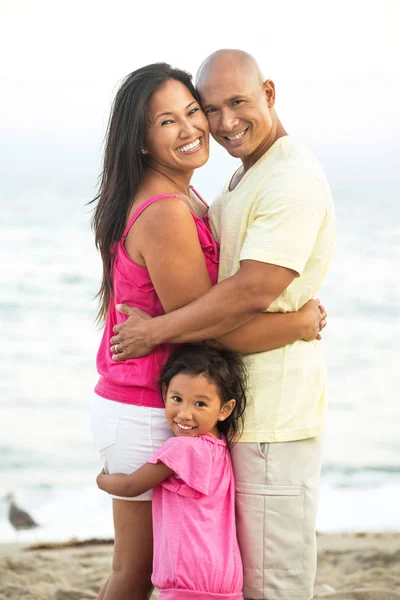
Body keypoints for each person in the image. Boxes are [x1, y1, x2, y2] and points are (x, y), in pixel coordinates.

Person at [90, 61, 326, 600]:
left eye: (193, 110)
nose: (194, 127)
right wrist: (298, 323)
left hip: (149, 399)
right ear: (142, 141)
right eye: (167, 121)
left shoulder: (185, 197)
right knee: (134, 574)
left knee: (150, 569)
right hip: (145, 405)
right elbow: (211, 330)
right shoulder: (167, 210)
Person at [97, 344, 247, 600]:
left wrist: (102, 479)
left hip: (188, 573)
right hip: (223, 575)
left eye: (200, 404)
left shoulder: (182, 448)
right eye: (177, 399)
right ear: (165, 392)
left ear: (225, 409)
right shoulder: (220, 447)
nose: (185, 414)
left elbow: (132, 486)